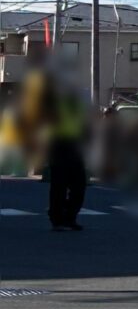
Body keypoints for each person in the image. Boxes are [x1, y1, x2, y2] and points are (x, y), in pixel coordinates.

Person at [46, 76, 88, 232]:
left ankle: (70, 217)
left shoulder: (79, 107)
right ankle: (57, 219)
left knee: (79, 186)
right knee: (59, 186)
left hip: (75, 146)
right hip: (59, 145)